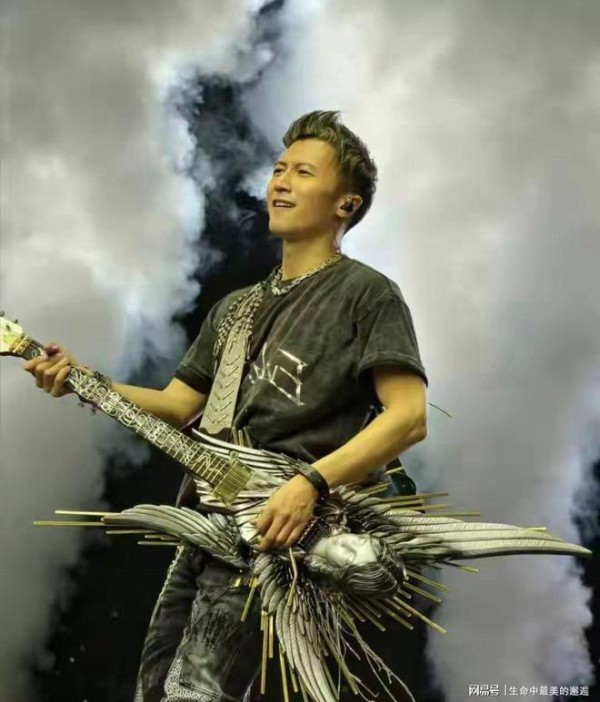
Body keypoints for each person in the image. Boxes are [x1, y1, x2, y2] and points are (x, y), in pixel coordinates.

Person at [24, 110, 429, 702]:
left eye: (303, 172)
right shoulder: (234, 309)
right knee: (155, 688)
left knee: (196, 693)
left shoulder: (367, 294)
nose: (280, 181)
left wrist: (310, 483)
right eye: (278, 169)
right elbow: (176, 405)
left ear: (346, 204)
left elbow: (408, 417)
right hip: (207, 523)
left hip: (279, 537)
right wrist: (83, 380)